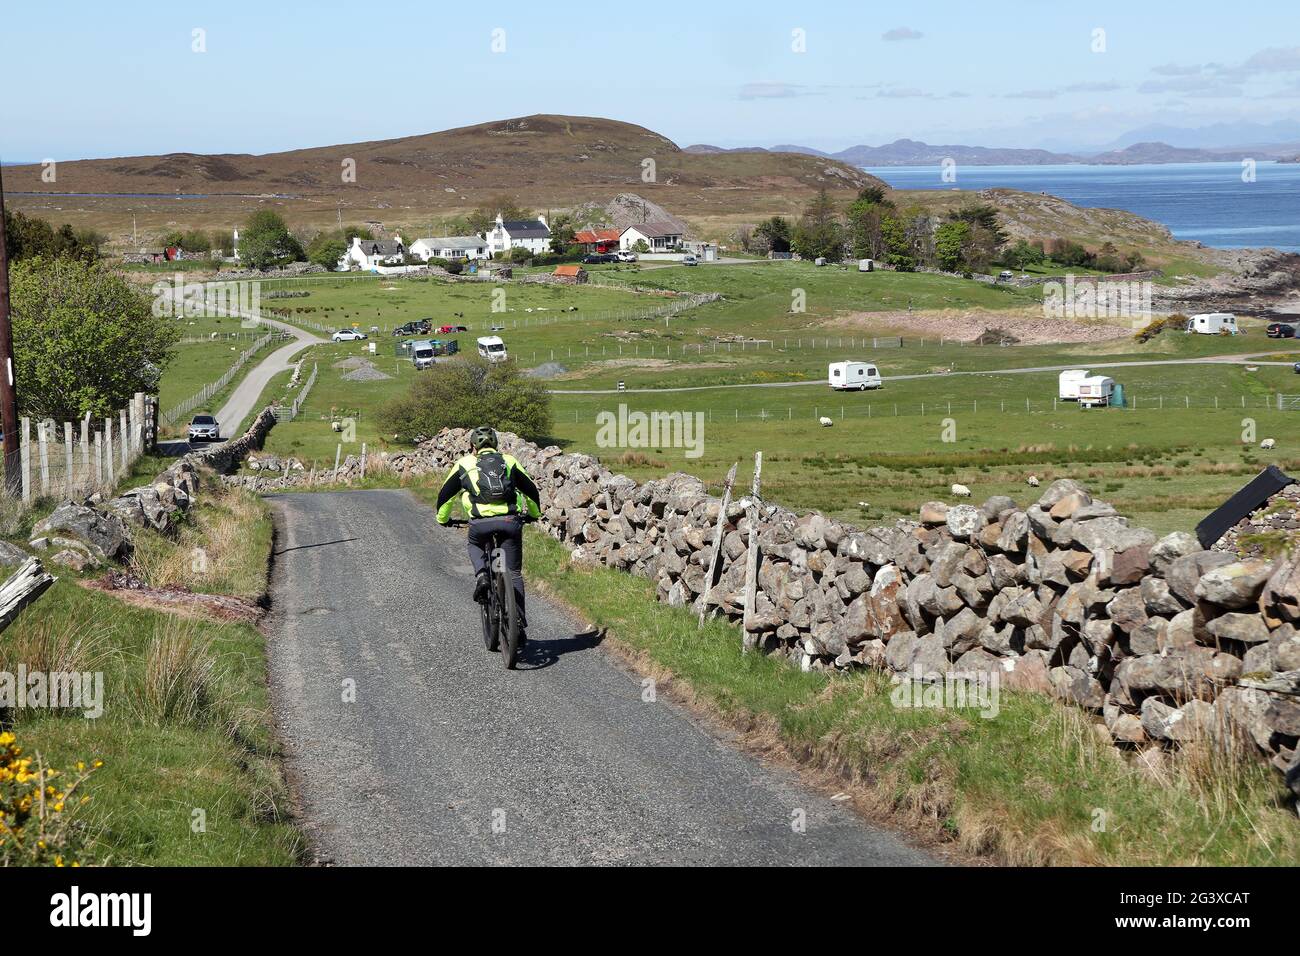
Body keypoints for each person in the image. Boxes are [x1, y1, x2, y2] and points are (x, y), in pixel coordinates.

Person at [435, 426, 542, 642]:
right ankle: (518, 624)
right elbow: (530, 490)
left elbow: (445, 495)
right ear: (496, 445)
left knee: (474, 544)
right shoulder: (509, 461)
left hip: (480, 525)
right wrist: (533, 514)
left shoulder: (464, 464)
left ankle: (483, 575)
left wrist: (443, 519)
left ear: (473, 446)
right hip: (509, 522)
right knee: (513, 572)